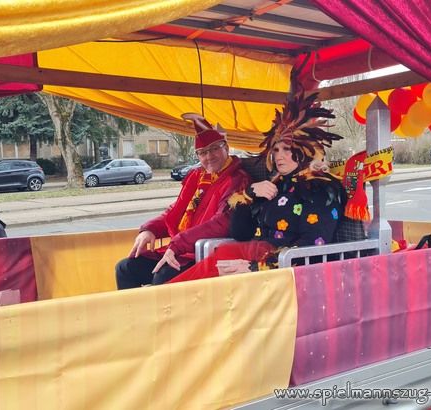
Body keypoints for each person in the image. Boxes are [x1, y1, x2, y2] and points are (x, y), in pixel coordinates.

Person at [166, 90, 344, 283]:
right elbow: (240, 233)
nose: (279, 156)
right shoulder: (276, 184)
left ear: (304, 150)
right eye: (276, 149)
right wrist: (248, 195)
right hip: (256, 256)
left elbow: (313, 246)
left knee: (204, 288)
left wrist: (256, 267)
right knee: (190, 282)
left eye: (286, 149)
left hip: (286, 272)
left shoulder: (320, 188)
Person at [115, 113, 250, 289]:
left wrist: (178, 243)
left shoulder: (237, 179)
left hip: (204, 253)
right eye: (203, 152)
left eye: (214, 148)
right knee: (125, 268)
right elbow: (176, 212)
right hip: (180, 249)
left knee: (163, 276)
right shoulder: (197, 176)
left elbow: (222, 223)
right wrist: (149, 229)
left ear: (226, 147)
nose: (209, 156)